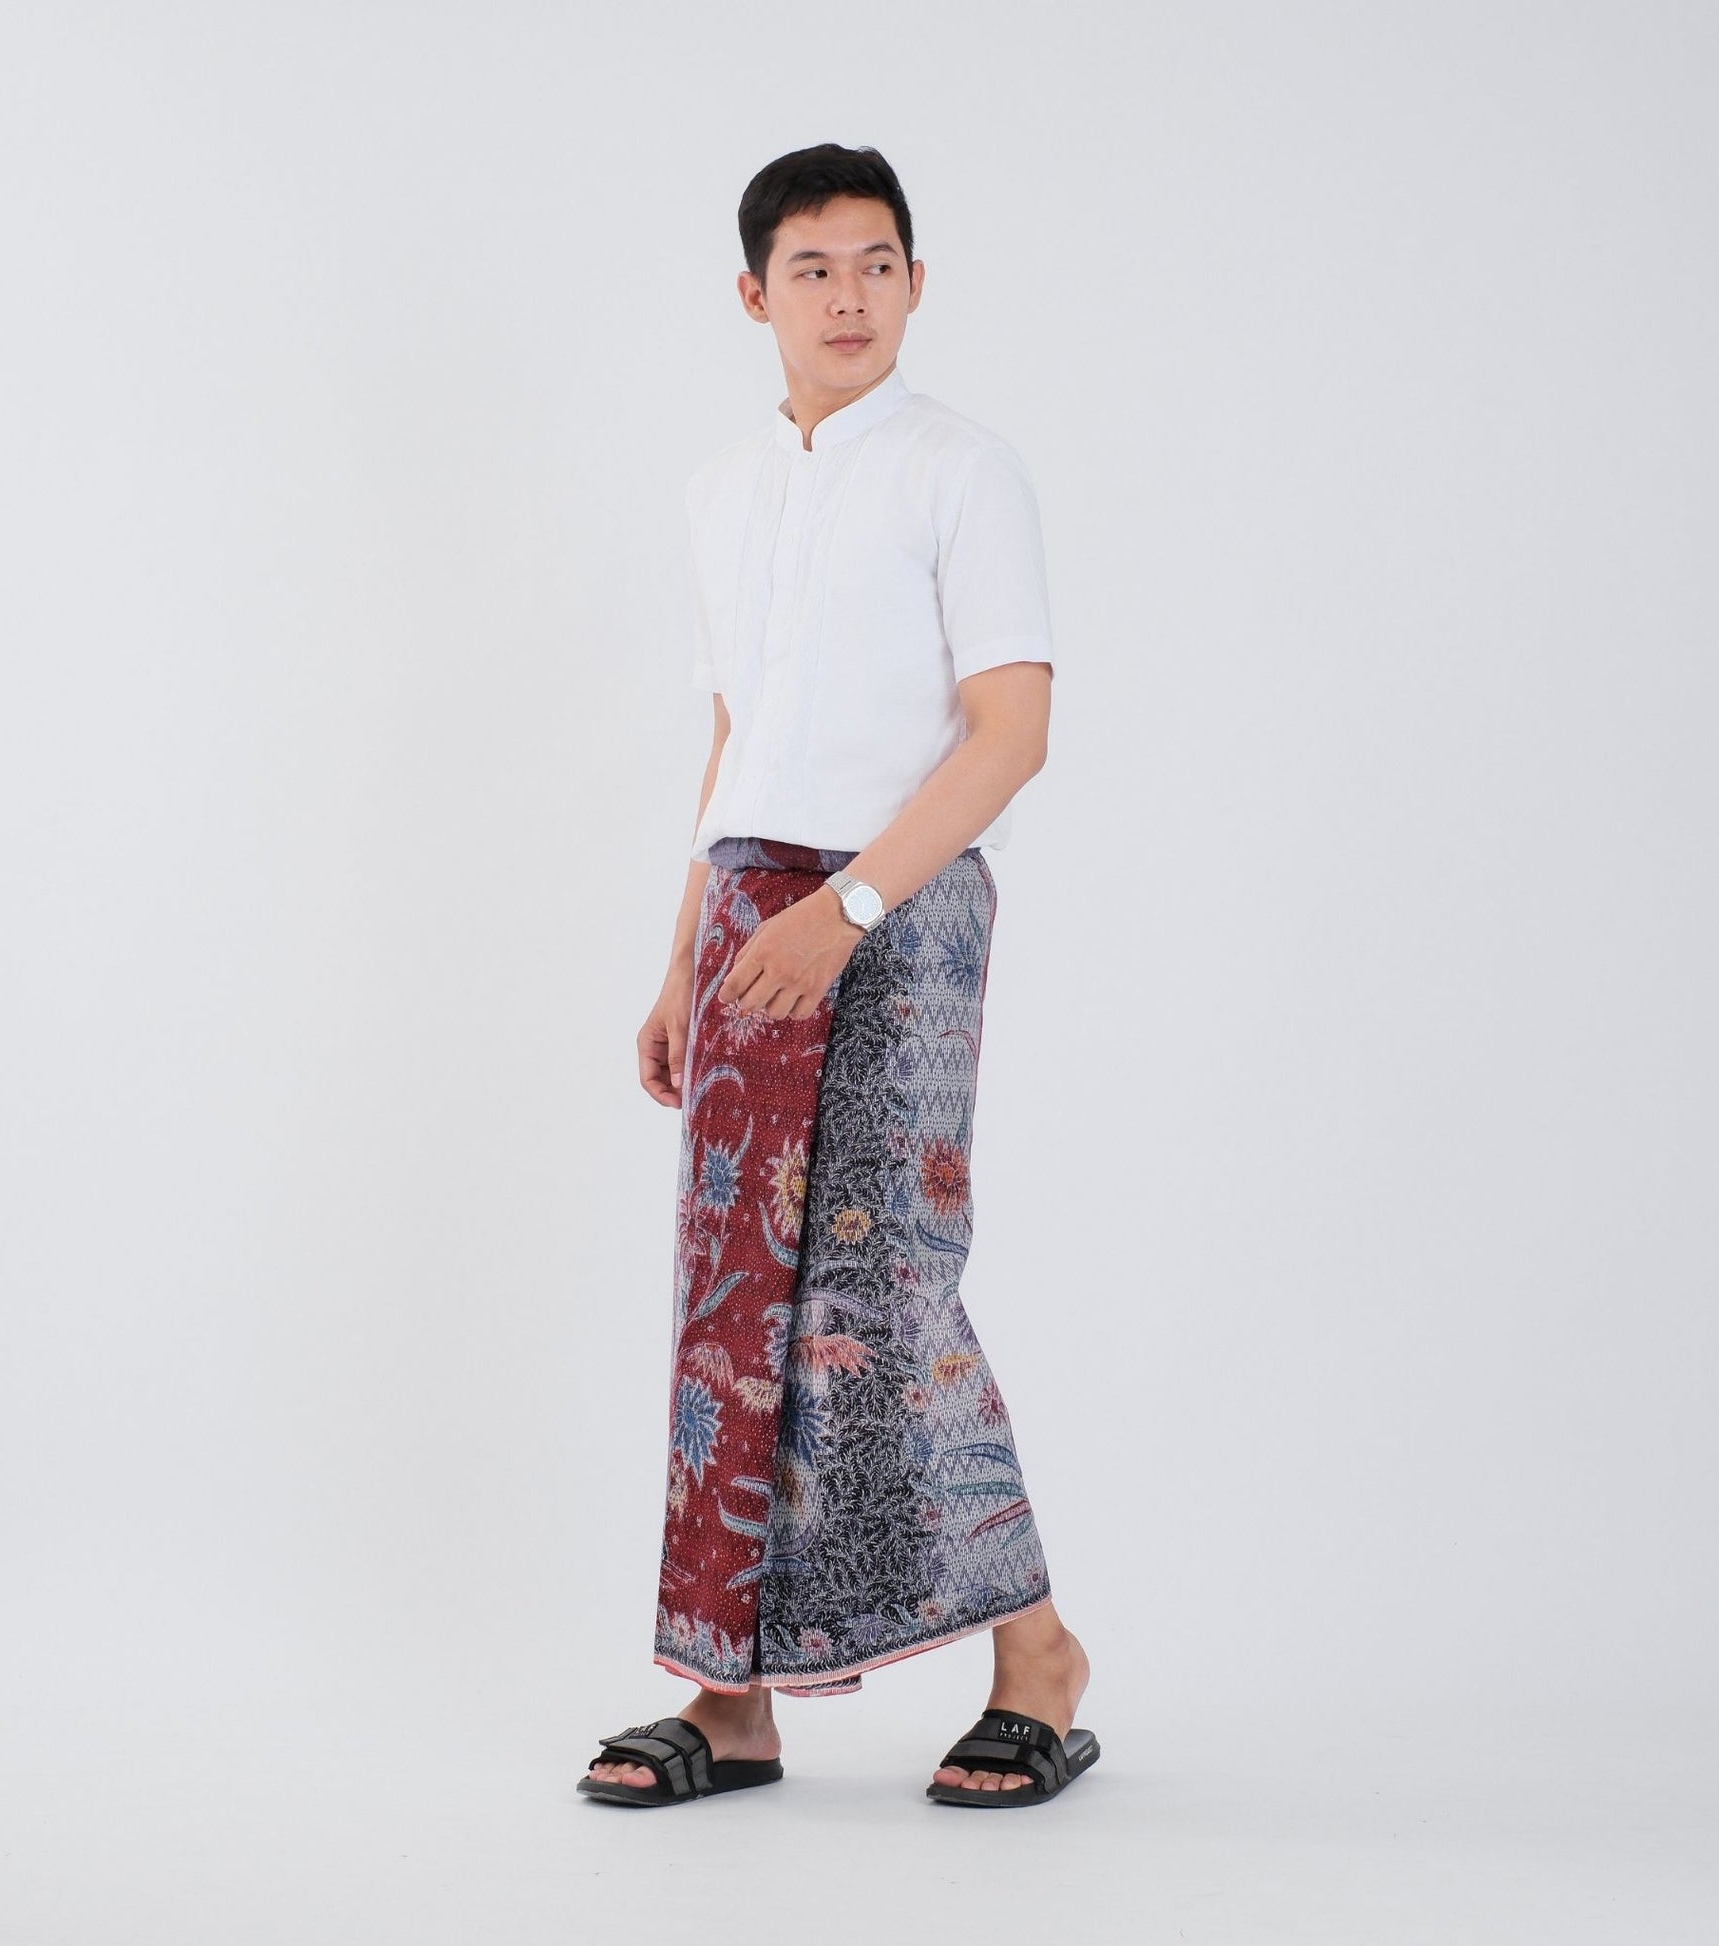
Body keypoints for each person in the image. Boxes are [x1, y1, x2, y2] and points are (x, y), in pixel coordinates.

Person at [578, 144, 1097, 1810]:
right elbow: (737, 735)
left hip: (903, 909)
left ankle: (1037, 1658)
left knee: (881, 1298)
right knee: (732, 1309)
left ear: (917, 284)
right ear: (754, 296)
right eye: (812, 268)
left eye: (878, 264)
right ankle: (727, 1700)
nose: (849, 295)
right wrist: (685, 955)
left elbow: (1010, 731)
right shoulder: (721, 490)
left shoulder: (962, 470)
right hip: (749, 906)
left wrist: (851, 907)